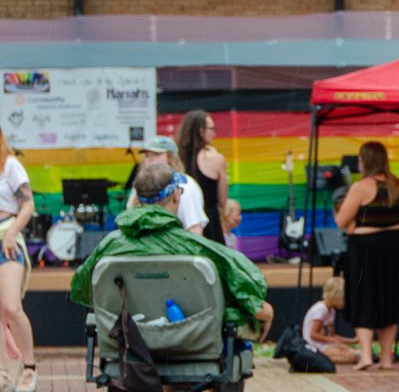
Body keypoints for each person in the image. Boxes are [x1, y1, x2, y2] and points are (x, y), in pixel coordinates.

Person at [70, 163, 273, 336]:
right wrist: (266, 311)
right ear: (176, 196)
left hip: (129, 340)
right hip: (191, 342)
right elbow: (246, 287)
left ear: (137, 200)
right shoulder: (196, 247)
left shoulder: (108, 247)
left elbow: (82, 289)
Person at [334, 141, 399, 371]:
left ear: (365, 161)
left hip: (364, 248)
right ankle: (386, 357)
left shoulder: (361, 187)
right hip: (394, 248)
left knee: (364, 298)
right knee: (390, 300)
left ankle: (366, 355)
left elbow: (341, 221)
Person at [0, 126, 38, 392]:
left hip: (6, 236)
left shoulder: (10, 165)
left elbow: (28, 204)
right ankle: (1, 371)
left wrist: (13, 233)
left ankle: (29, 366)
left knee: (12, 306)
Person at [125, 135, 208, 235]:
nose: (150, 160)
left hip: (175, 248)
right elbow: (129, 220)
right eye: (147, 155)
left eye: (156, 154)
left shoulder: (186, 185)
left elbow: (194, 230)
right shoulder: (140, 183)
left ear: (171, 157)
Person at [175, 109, 229, 245]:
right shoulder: (215, 158)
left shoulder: (175, 158)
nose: (214, 133)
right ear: (200, 131)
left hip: (181, 222)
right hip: (208, 222)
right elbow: (223, 201)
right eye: (211, 129)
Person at [302, 276, 359, 366]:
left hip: (325, 344)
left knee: (354, 353)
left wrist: (352, 340)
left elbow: (331, 335)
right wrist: (333, 341)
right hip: (315, 346)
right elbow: (313, 334)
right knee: (352, 356)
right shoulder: (321, 309)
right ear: (335, 296)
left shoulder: (331, 311)